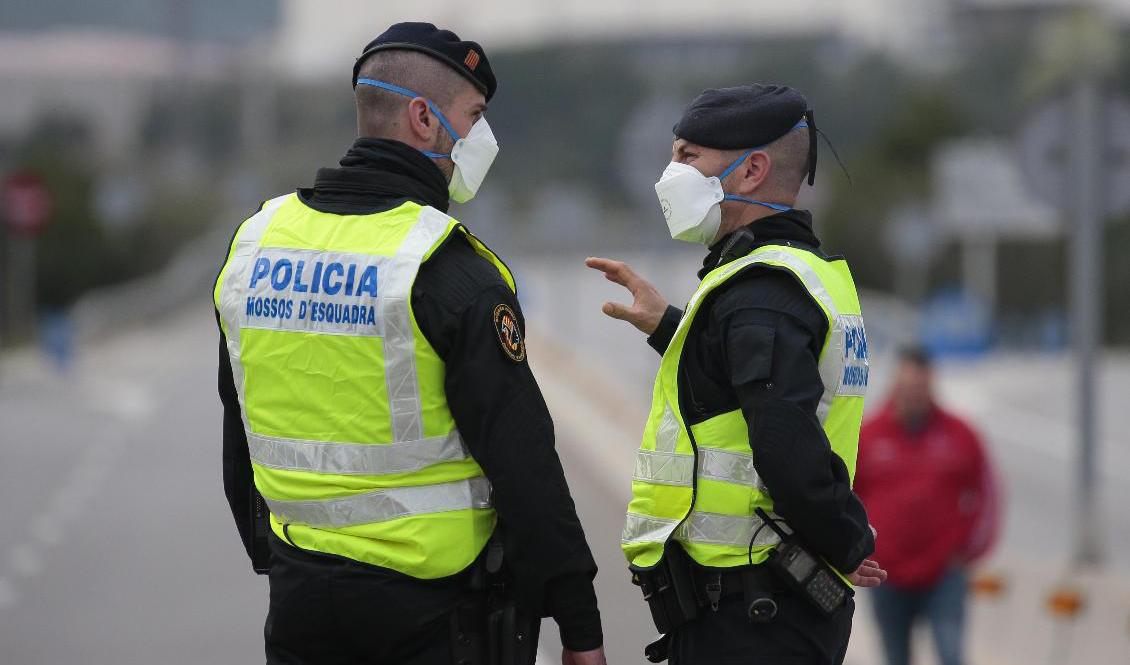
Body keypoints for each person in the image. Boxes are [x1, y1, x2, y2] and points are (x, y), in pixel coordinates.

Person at [213, 22, 606, 665]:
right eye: (474, 116)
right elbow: (524, 464)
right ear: (424, 119)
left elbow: (241, 428)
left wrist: (279, 561)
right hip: (432, 615)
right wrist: (580, 627)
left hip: (299, 601)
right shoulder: (448, 268)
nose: (483, 137)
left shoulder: (256, 244)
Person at [587, 83, 886, 665]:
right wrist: (669, 326)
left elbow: (783, 439)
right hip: (760, 605)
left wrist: (848, 539)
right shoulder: (792, 277)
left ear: (751, 171)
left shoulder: (762, 291)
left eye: (687, 156)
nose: (670, 174)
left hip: (753, 611)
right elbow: (741, 388)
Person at [854, 347, 999, 665]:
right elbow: (846, 499)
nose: (913, 396)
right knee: (896, 657)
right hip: (886, 573)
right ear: (895, 385)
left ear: (931, 385)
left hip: (944, 573)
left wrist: (970, 550)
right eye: (907, 387)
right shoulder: (868, 436)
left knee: (951, 653)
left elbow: (987, 494)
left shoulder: (960, 435)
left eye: (920, 388)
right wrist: (857, 551)